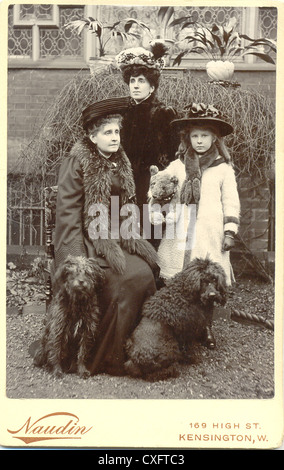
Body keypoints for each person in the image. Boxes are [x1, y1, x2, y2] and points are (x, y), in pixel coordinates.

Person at [53, 97, 158, 376]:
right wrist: (77, 257)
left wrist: (130, 233)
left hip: (117, 236)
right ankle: (106, 357)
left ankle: (138, 348)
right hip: (87, 240)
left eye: (117, 132)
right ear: (92, 136)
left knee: (145, 273)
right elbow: (67, 213)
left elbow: (126, 206)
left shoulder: (119, 160)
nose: (115, 138)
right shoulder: (78, 161)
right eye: (108, 132)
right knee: (124, 281)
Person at [171, 103, 241, 347]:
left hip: (209, 234)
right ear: (188, 138)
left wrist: (229, 231)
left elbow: (231, 201)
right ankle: (181, 328)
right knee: (183, 281)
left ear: (214, 138)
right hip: (183, 232)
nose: (199, 141)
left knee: (207, 284)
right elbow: (163, 188)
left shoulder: (223, 169)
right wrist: (158, 191)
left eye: (204, 136)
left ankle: (206, 327)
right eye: (195, 136)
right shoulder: (179, 165)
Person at [115, 44, 178, 238]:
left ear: (152, 86)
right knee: (124, 232)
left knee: (152, 234)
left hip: (152, 186)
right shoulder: (121, 113)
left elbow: (174, 155)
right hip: (124, 183)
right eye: (132, 80)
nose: (135, 85)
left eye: (141, 81)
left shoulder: (164, 114)